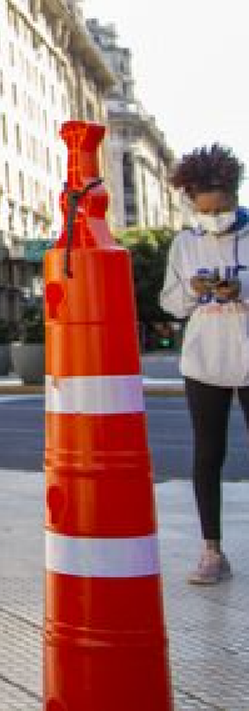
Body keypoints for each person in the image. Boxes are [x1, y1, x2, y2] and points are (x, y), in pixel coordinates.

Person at [161, 143, 249, 587]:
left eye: (222, 208)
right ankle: (212, 551)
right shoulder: (184, 243)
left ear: (234, 194)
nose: (215, 217)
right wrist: (194, 289)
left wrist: (243, 287)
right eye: (205, 210)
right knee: (207, 455)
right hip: (204, 360)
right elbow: (171, 304)